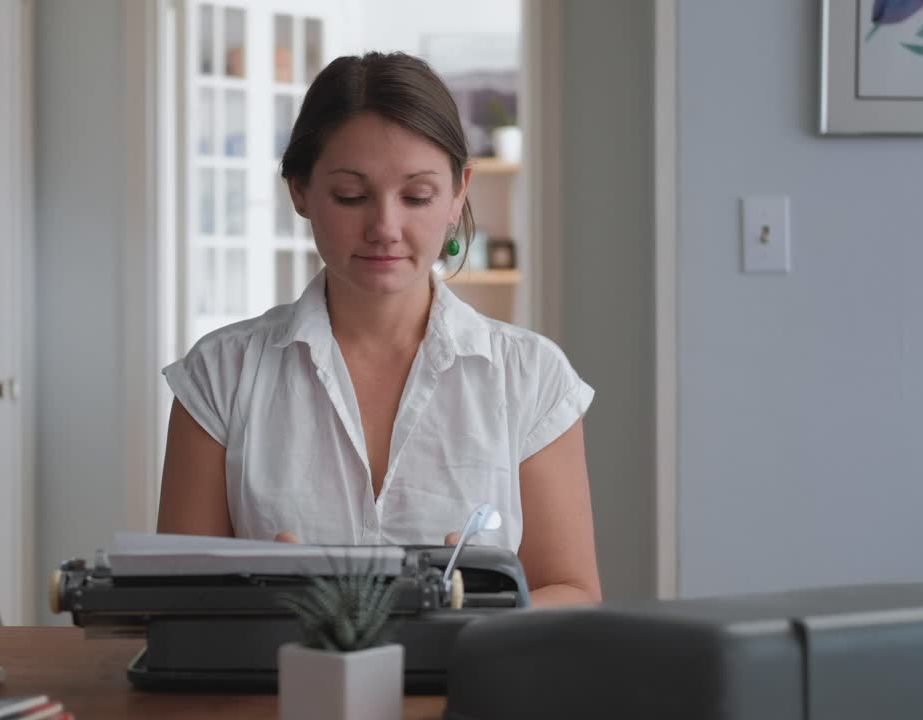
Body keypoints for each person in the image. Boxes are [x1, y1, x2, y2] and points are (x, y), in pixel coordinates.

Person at [157, 52, 600, 606]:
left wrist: (474, 607)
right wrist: (270, 596)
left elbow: (574, 590)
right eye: (351, 196)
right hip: (280, 690)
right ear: (299, 191)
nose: (385, 228)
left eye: (417, 196)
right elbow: (177, 599)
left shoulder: (531, 377)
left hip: (476, 689)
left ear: (460, 190)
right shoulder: (220, 375)